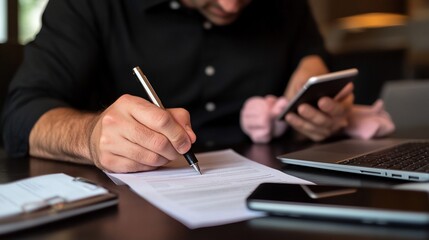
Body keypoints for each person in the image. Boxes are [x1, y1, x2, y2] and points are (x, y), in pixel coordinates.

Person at [1, 0, 353, 173]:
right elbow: (21, 114)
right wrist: (90, 136)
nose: (230, 5)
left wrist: (315, 81)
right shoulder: (90, 5)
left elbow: (312, 56)